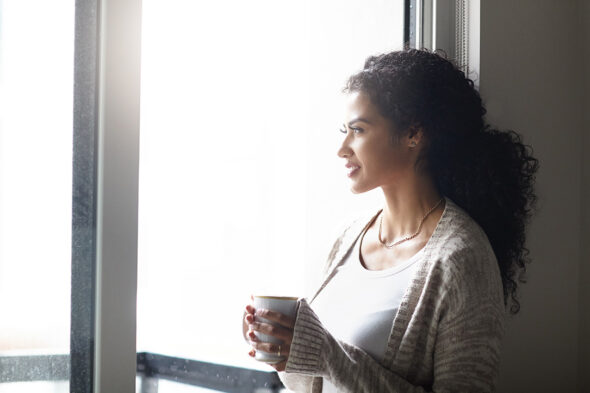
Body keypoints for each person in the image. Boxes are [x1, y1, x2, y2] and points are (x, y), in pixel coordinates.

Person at [242, 49, 538, 392]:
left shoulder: (461, 257)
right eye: (344, 130)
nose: (342, 148)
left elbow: (331, 360)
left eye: (358, 130)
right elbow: (322, 377)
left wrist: (324, 352)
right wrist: (284, 351)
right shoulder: (349, 238)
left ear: (414, 134)